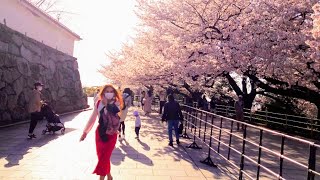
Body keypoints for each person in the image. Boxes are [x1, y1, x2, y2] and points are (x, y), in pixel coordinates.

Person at [80, 84, 122, 180]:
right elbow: (93, 118)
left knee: (105, 157)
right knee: (101, 156)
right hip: (100, 132)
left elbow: (116, 117)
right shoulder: (98, 103)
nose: (109, 93)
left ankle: (101, 178)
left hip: (111, 133)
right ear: (103, 92)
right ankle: (109, 176)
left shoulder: (116, 103)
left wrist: (107, 104)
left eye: (111, 91)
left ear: (114, 93)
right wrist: (85, 132)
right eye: (107, 91)